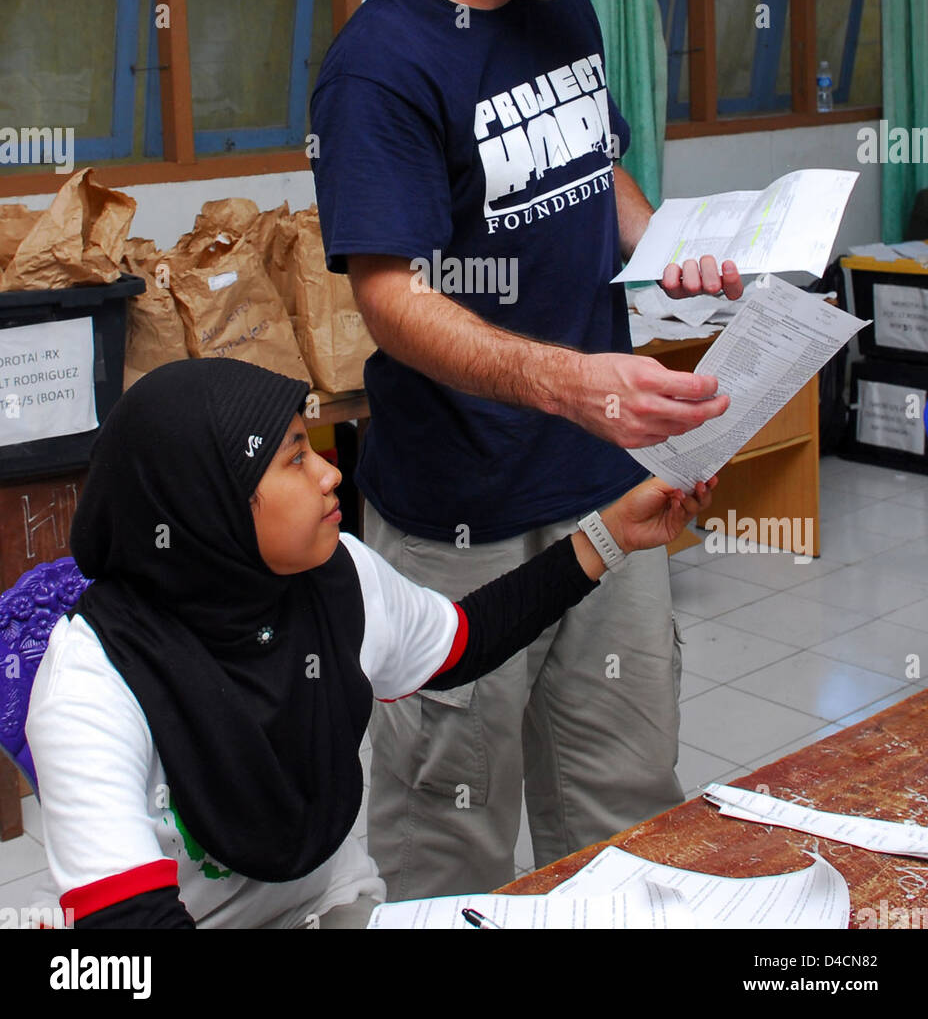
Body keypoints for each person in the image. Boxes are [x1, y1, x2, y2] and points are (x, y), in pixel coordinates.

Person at [310, 0, 743, 899]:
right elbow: (391, 298)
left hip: (604, 483)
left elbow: (594, 169)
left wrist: (670, 249)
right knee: (447, 833)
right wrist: (569, 384)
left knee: (628, 797)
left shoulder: (559, 1)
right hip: (458, 514)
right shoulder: (380, 67)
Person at [25, 357, 715, 928]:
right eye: (296, 460)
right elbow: (127, 932)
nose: (330, 473)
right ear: (210, 507)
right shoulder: (90, 683)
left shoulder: (334, 576)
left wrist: (612, 534)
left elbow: (464, 643)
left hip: (327, 904)